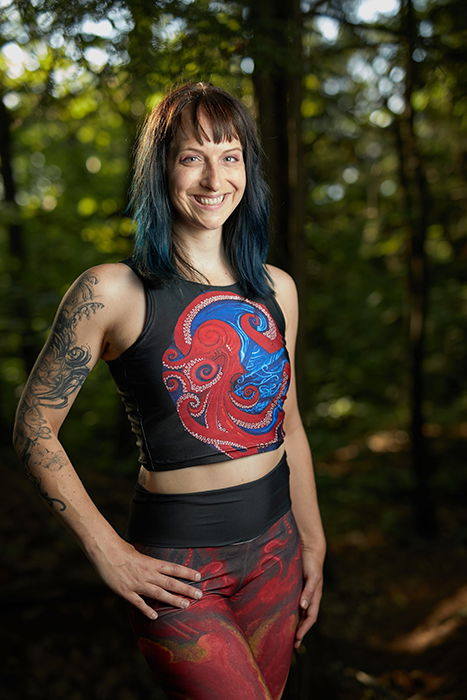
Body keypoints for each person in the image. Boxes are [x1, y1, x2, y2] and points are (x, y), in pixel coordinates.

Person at [13, 82, 325, 699]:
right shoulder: (112, 291)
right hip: (178, 575)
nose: (214, 177)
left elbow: (286, 423)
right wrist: (107, 549)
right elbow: (32, 426)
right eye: (191, 156)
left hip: (277, 554)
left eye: (230, 155)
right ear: (161, 169)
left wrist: (313, 538)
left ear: (247, 169)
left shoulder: (276, 291)